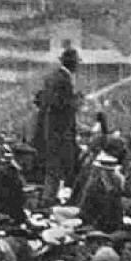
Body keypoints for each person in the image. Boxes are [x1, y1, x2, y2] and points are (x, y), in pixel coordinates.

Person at [33, 48, 82, 204]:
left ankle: (49, 199)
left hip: (53, 132)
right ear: (72, 63)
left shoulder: (54, 77)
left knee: (54, 169)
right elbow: (58, 104)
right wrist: (75, 101)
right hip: (58, 133)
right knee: (56, 169)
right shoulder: (62, 79)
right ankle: (48, 200)